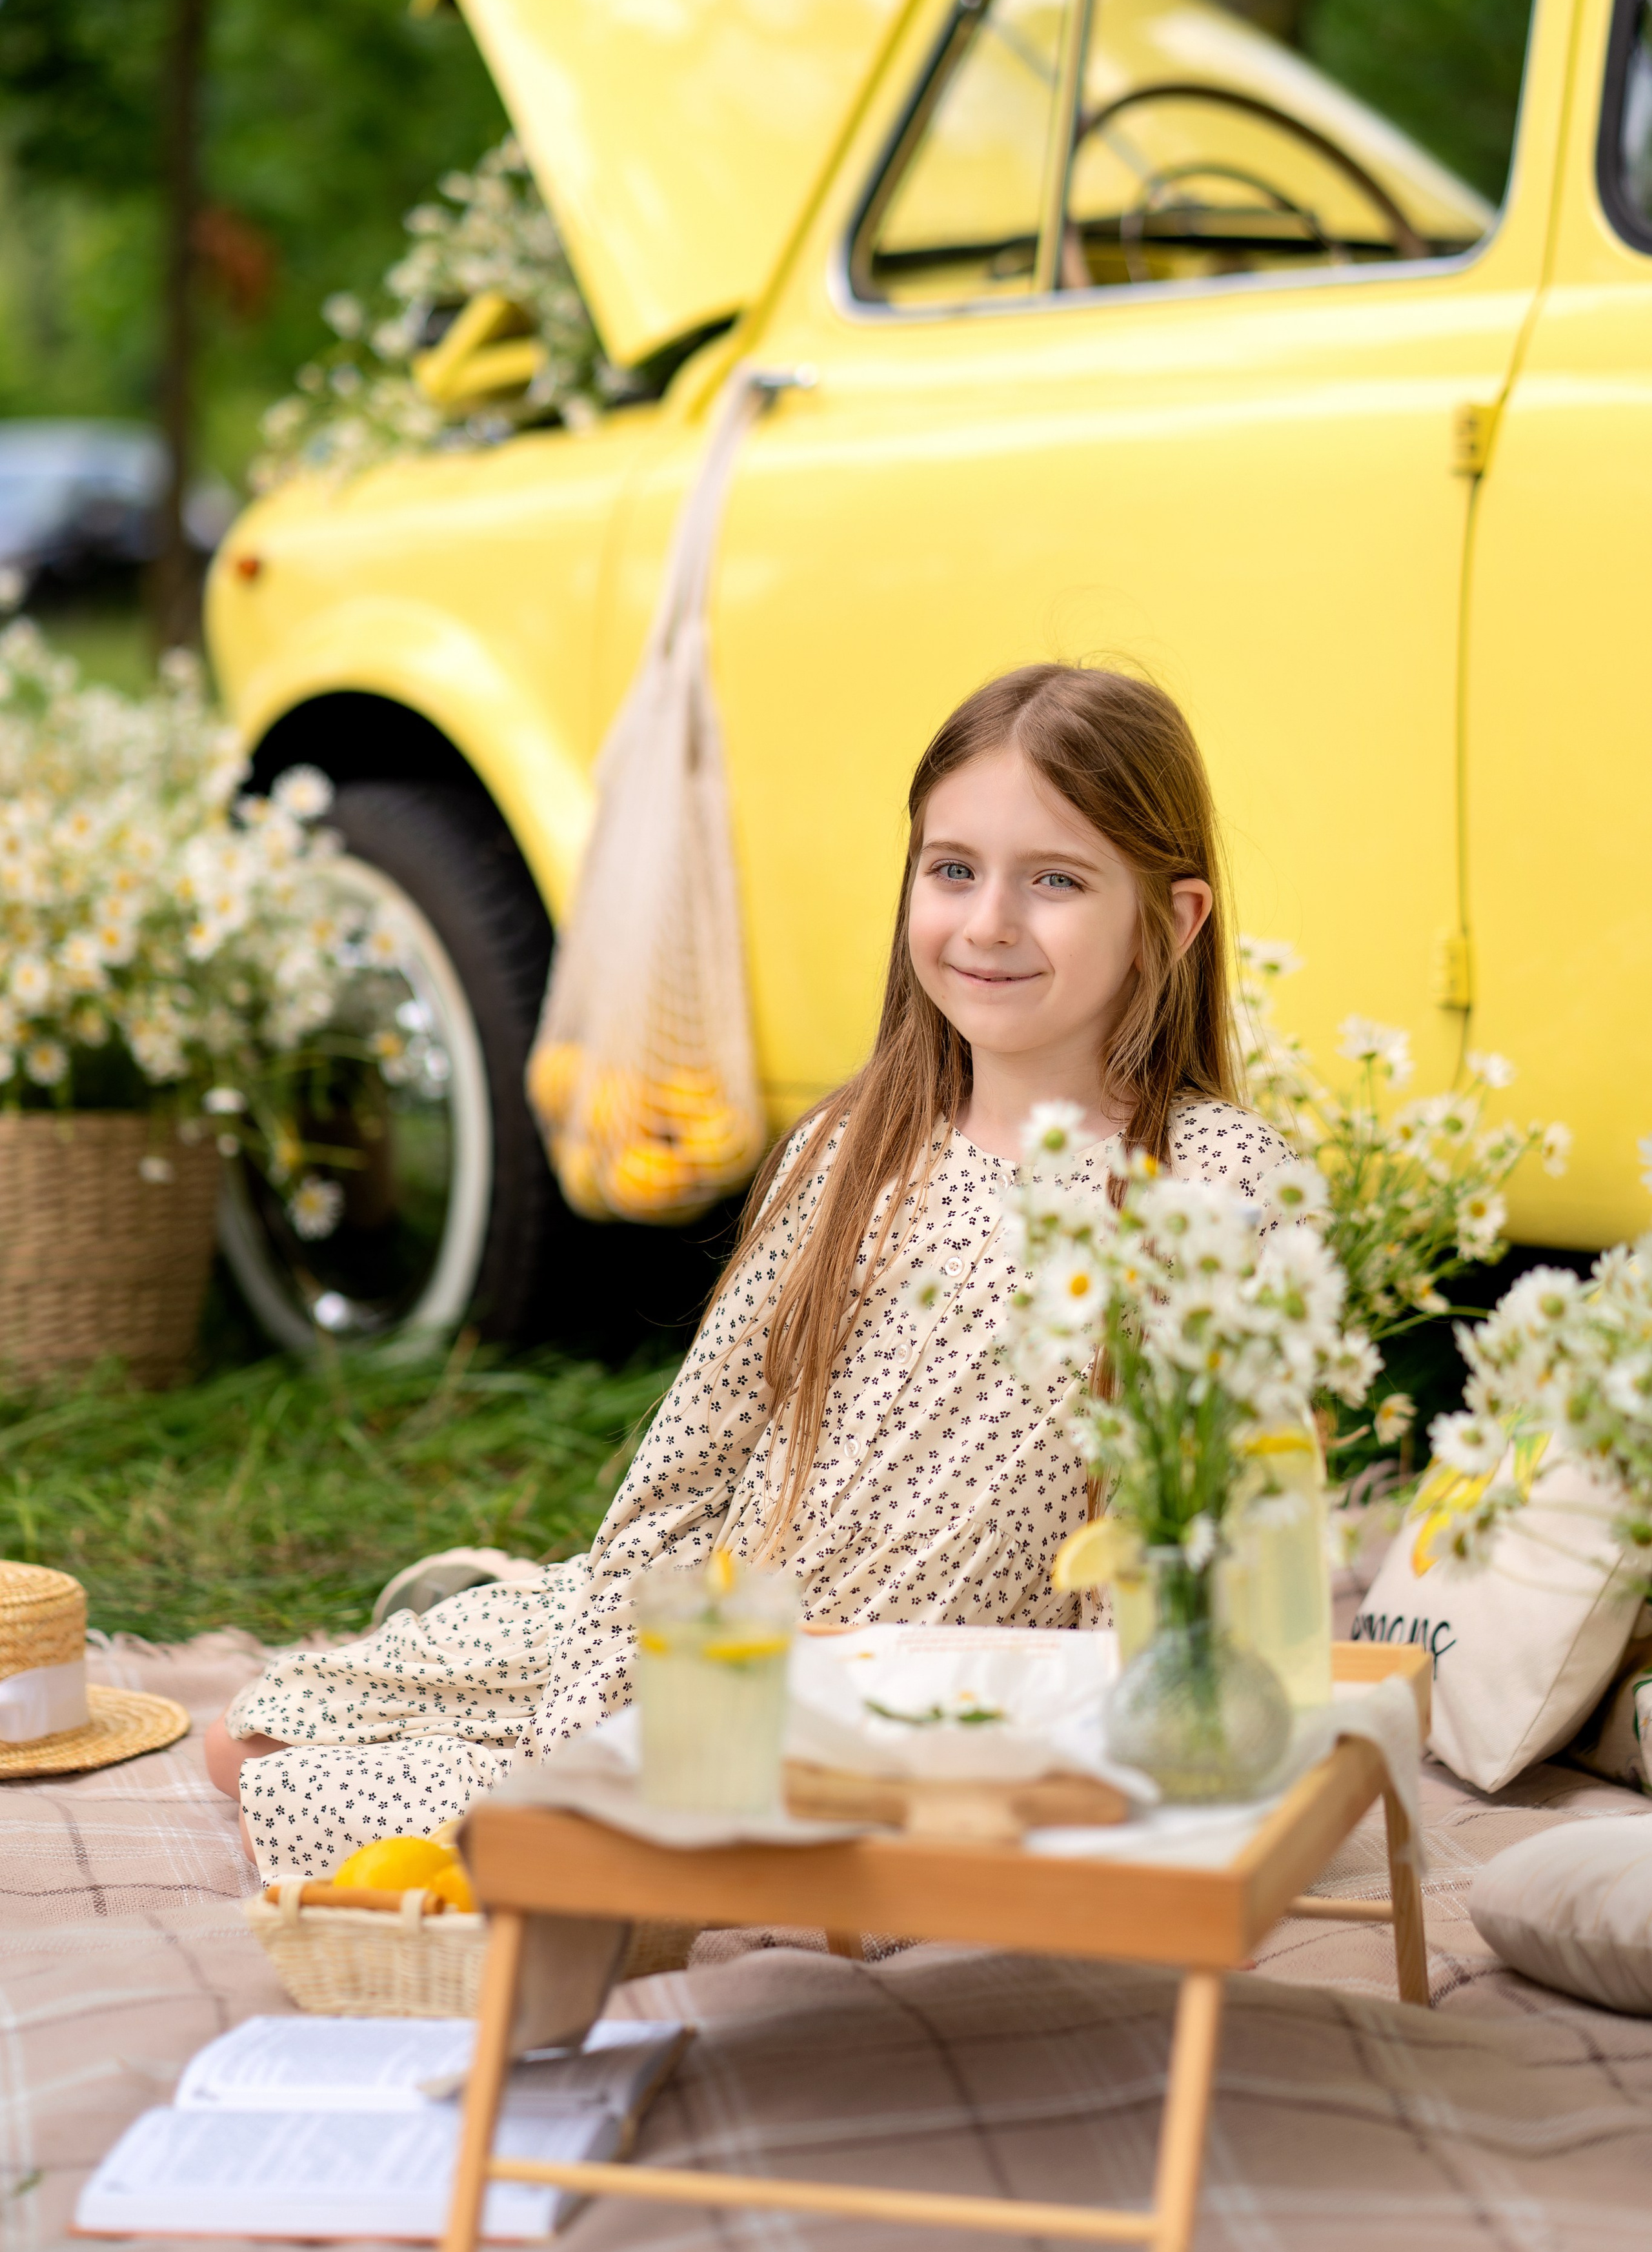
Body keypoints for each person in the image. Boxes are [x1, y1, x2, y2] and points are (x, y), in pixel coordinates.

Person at [206, 662, 1287, 1875]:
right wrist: (601, 1721)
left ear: (1174, 920)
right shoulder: (852, 1146)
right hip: (704, 1647)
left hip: (900, 1723)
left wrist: (1116, 1789)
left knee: (297, 1797)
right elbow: (688, 1476)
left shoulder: (1214, 1188)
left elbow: (1159, 1563)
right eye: (953, 870)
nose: (988, 922)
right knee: (252, 1729)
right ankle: (502, 1630)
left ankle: (602, 1811)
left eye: (1056, 881)